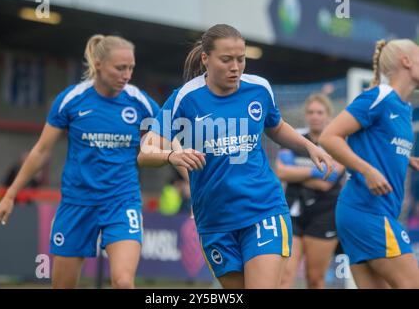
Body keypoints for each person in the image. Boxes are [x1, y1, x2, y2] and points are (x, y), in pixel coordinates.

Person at [137, 24, 334, 288]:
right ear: (206, 59)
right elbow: (145, 152)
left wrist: (308, 147)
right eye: (226, 59)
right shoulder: (185, 98)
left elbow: (275, 127)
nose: (236, 67)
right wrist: (172, 154)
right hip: (215, 219)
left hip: (263, 209)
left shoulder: (259, 89)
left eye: (241, 59)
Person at [0, 34, 160, 289]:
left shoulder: (140, 102)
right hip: (77, 203)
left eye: (131, 68)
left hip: (122, 202)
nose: (127, 75)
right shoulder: (71, 100)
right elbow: (41, 151)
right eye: (120, 68)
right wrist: (10, 195)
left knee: (124, 282)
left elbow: (171, 136)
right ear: (99, 63)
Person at [319, 39, 419, 288]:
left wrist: (406, 159)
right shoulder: (380, 96)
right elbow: (329, 137)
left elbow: (378, 145)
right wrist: (367, 170)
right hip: (367, 211)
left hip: (366, 213)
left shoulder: (404, 108)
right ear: (406, 61)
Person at [276, 93, 345, 289]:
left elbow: (328, 181)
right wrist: (315, 171)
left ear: (328, 115)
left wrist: (296, 172)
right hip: (292, 213)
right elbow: (282, 171)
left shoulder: (336, 141)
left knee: (314, 278)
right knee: (285, 275)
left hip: (324, 215)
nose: (315, 116)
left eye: (319, 112)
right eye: (311, 112)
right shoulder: (295, 138)